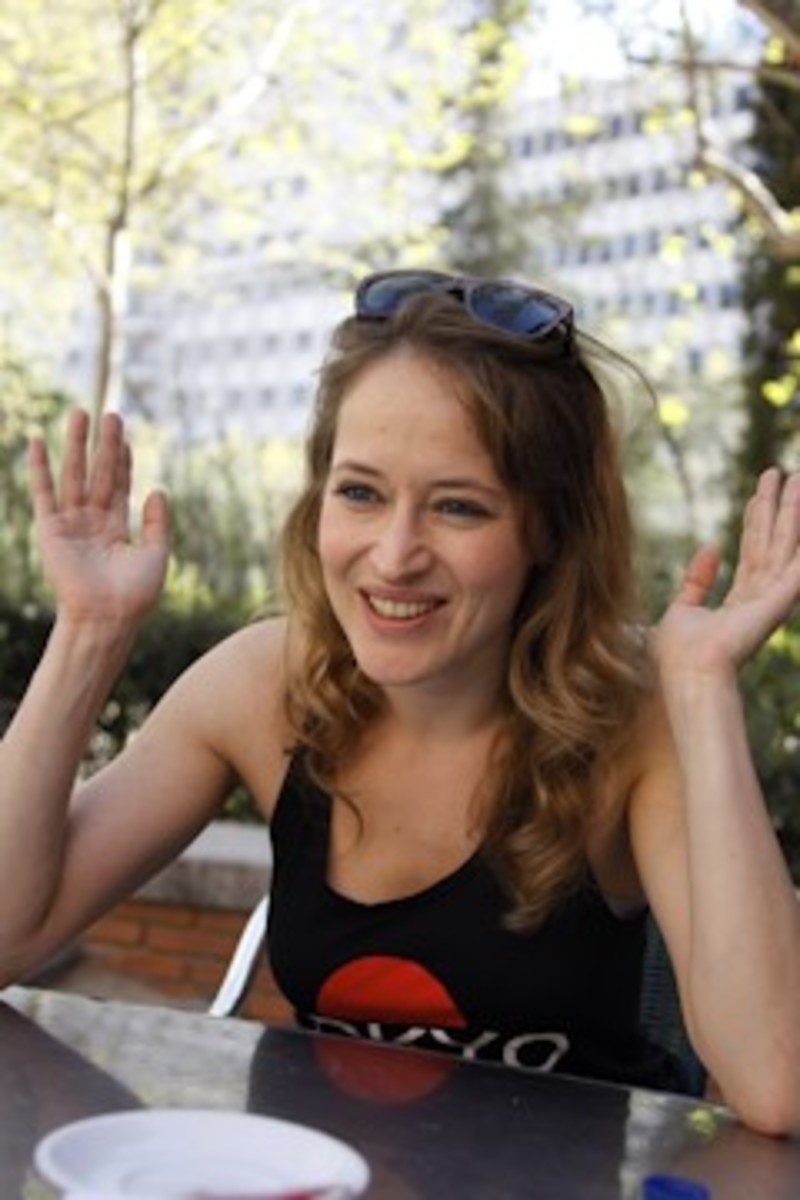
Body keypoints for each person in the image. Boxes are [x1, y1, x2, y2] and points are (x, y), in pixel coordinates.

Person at [1, 269, 799, 1135]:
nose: (394, 555)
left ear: (548, 529)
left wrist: (701, 691)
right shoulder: (260, 686)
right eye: (361, 492)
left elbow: (778, 1084)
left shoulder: (634, 712)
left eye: (459, 507)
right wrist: (91, 630)